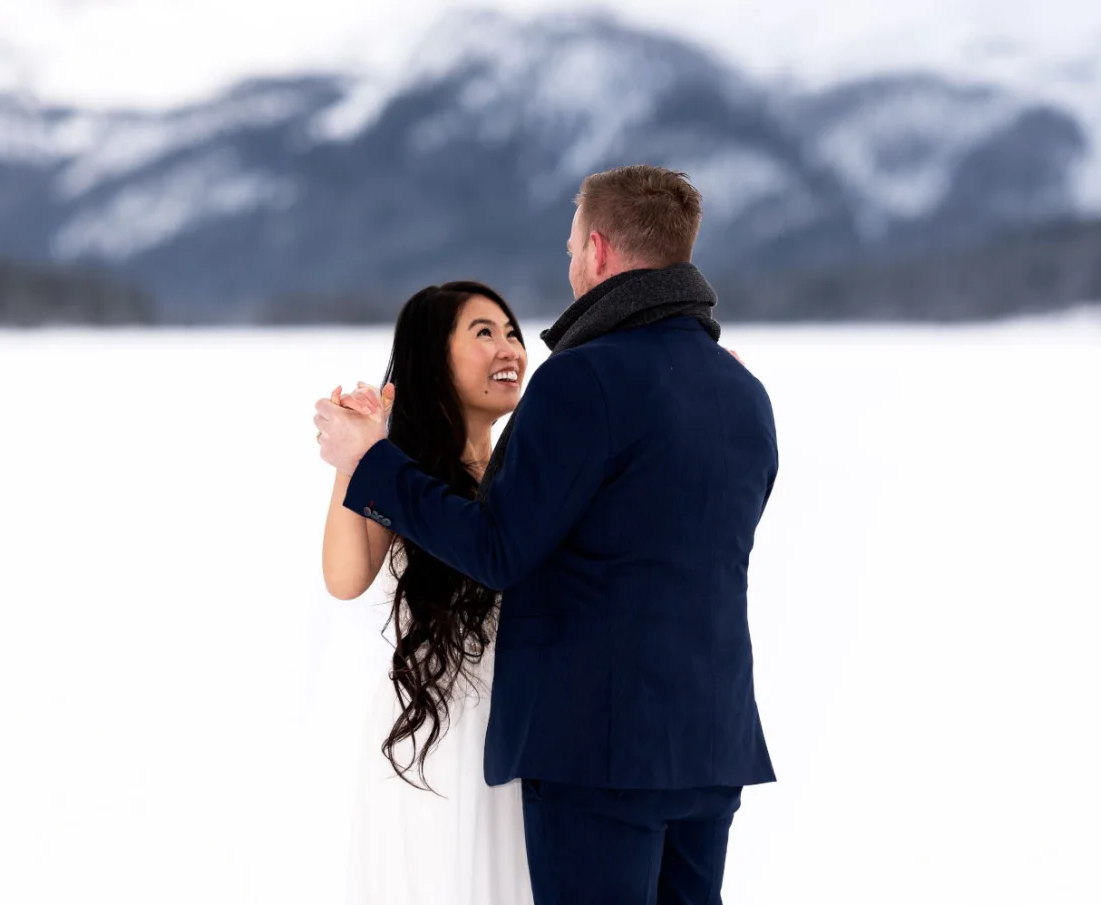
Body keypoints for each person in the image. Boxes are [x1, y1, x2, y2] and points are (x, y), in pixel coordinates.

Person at [315, 164, 779, 905]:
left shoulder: (581, 378)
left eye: (569, 250)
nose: (568, 268)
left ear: (596, 249)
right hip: (710, 741)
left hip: (599, 751)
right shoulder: (741, 392)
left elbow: (500, 549)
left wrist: (371, 462)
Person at [322, 281, 535, 905]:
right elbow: (344, 577)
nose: (511, 348)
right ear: (432, 358)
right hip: (427, 735)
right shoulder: (404, 475)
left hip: (516, 735)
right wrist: (354, 458)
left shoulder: (529, 471)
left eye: (513, 332)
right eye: (484, 333)